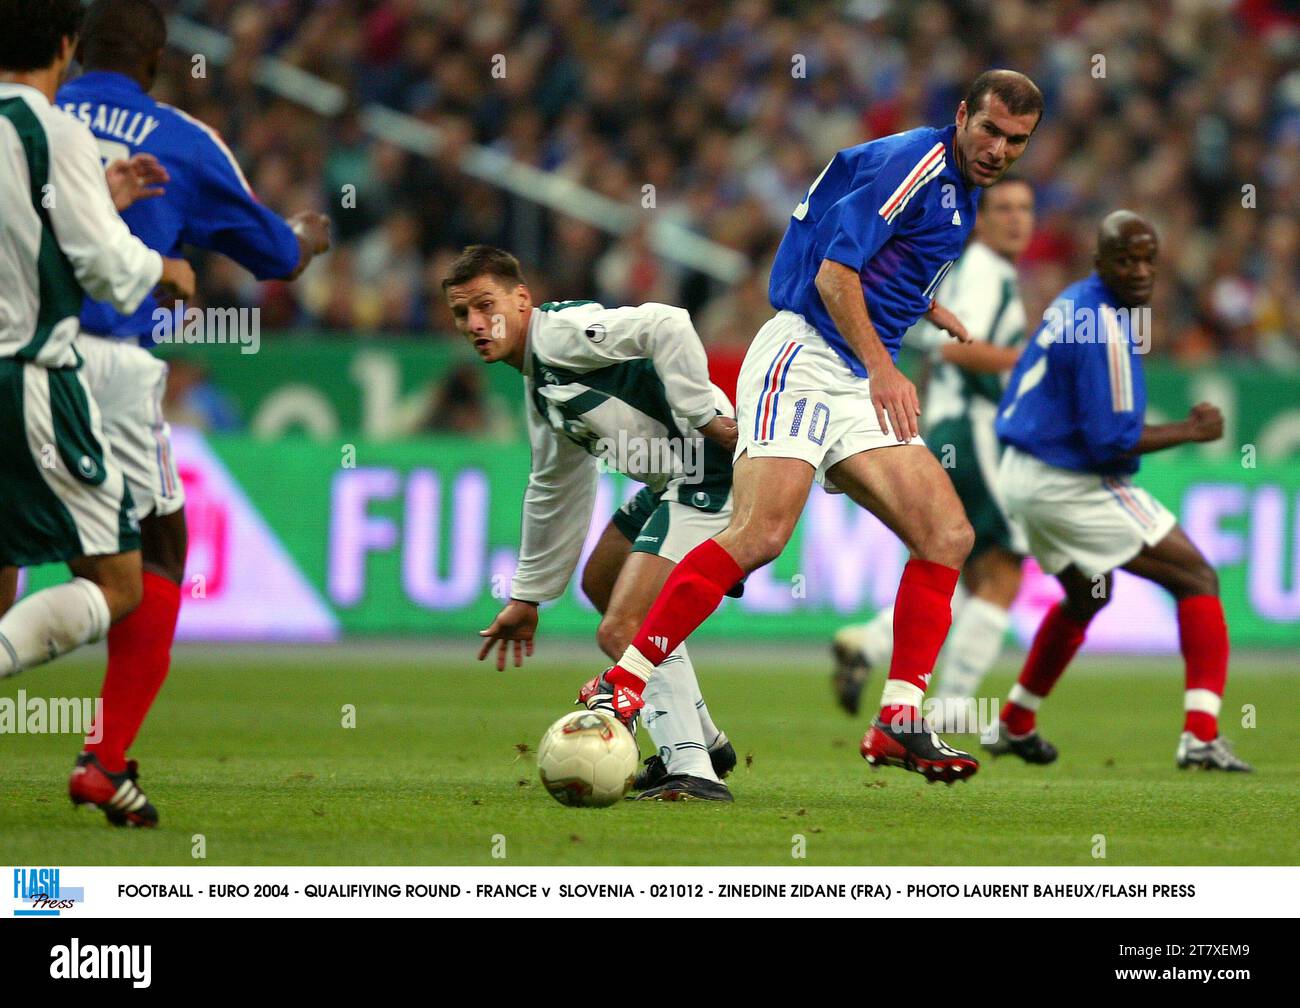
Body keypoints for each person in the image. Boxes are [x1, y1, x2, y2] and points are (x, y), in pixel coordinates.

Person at [580, 69, 1045, 784]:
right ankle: (627, 681)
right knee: (761, 535)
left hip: (854, 370)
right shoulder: (916, 163)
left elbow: (866, 247)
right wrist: (886, 367)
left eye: (1016, 140)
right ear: (961, 115)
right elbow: (834, 274)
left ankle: (899, 720)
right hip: (805, 354)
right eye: (989, 130)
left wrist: (924, 308)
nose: (999, 148)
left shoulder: (952, 187)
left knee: (947, 535)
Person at [1, 0, 332, 827]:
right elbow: (273, 257)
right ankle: (104, 757)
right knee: (148, 556)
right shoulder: (177, 139)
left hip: (15, 359)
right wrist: (306, 238)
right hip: (92, 367)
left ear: (79, 53)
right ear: (153, 59)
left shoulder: (38, 117)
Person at [446, 245, 738, 801]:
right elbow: (556, 484)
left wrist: (702, 413)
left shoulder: (560, 334)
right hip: (672, 482)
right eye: (463, 314)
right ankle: (707, 739)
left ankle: (691, 768)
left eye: (487, 306)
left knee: (621, 629)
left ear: (523, 300)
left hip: (711, 472)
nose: (476, 324)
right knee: (601, 583)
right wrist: (528, 596)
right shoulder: (540, 383)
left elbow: (667, 323)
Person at [0, 0, 196, 825]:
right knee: (121, 578)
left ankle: (104, 761)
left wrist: (94, 196)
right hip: (29, 382)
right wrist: (168, 268)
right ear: (66, 46)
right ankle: (101, 758)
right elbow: (112, 275)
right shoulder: (56, 132)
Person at [991, 210, 1251, 771]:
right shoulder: (1103, 327)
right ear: (1100, 262)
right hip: (1066, 481)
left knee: (1089, 594)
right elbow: (1111, 443)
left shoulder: (1074, 302)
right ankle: (1200, 736)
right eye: (1125, 259)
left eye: (1147, 259)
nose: (1138, 271)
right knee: (1197, 577)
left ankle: (1014, 720)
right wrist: (1192, 430)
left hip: (1021, 473)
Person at [832, 176, 1036, 732]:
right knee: (1005, 571)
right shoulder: (985, 272)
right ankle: (951, 706)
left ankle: (871, 642)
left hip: (952, 427)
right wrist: (1030, 364)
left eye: (1025, 209)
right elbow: (951, 346)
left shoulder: (981, 274)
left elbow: (931, 350)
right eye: (1004, 209)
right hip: (974, 432)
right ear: (982, 219)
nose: (1017, 219)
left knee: (961, 563)